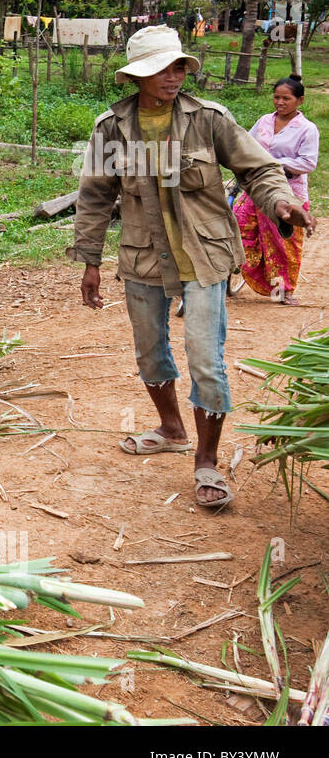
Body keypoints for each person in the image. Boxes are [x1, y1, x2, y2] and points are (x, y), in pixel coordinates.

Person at [70, 25, 315, 510]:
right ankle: (171, 428)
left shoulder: (209, 120)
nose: (174, 76)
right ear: (138, 76)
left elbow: (259, 169)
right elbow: (95, 196)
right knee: (149, 351)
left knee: (206, 358)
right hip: (142, 257)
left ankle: (207, 460)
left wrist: (281, 203)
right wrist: (90, 261)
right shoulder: (112, 129)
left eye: (179, 66)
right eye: (163, 68)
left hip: (205, 258)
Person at [231, 76, 319, 304]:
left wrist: (277, 164)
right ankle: (236, 273)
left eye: (286, 98)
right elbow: (246, 145)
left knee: (282, 241)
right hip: (257, 187)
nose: (280, 102)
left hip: (289, 191)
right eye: (276, 97)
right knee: (240, 227)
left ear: (300, 100)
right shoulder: (263, 121)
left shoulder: (307, 129)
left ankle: (284, 290)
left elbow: (308, 163)